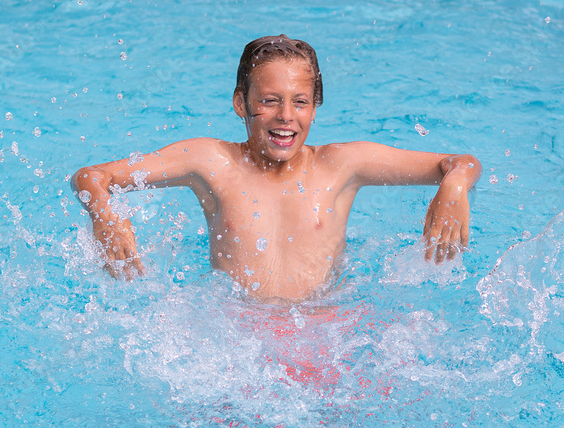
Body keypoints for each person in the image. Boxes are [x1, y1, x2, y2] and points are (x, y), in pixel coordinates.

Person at [71, 34, 481, 302]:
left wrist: (455, 188)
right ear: (240, 103)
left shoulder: (341, 165)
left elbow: (460, 163)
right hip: (239, 332)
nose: (286, 116)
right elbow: (92, 176)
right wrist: (105, 215)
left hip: (324, 325)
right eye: (269, 101)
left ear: (315, 108)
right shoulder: (211, 161)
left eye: (299, 102)